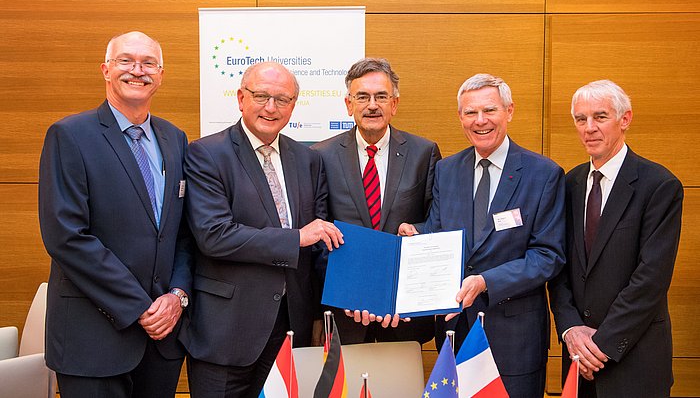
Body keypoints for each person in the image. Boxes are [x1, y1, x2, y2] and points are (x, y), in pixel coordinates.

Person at [38, 31, 192, 398]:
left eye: (149, 63)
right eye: (126, 60)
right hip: (92, 339)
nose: (138, 70)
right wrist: (141, 308)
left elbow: (184, 232)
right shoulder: (70, 135)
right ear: (106, 70)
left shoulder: (175, 139)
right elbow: (66, 237)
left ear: (161, 75)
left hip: (162, 341)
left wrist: (177, 296)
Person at [179, 61, 343, 398]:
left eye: (282, 99)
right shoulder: (207, 154)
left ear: (293, 106)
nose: (271, 107)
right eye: (261, 96)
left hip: (289, 329)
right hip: (226, 331)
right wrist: (296, 237)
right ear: (241, 98)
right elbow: (215, 236)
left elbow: (322, 240)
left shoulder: (307, 160)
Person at [399, 73, 566, 397]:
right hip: (454, 330)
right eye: (470, 113)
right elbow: (440, 229)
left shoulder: (543, 174)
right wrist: (417, 234)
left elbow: (547, 256)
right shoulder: (447, 170)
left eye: (489, 110)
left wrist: (485, 281)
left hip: (515, 338)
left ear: (509, 111)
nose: (480, 121)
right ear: (460, 117)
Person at [548, 80, 683, 397]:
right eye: (581, 119)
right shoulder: (570, 183)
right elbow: (558, 266)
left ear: (625, 119)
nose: (589, 128)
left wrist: (601, 344)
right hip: (577, 361)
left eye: (600, 117)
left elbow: (651, 278)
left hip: (634, 360)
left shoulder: (659, 186)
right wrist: (570, 330)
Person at [312, 58, 441, 344]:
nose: (372, 105)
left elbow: (435, 223)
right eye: (363, 97)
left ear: (394, 104)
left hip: (403, 312)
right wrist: (350, 292)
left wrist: (416, 231)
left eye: (381, 96)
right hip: (346, 312)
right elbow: (317, 233)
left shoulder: (424, 153)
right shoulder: (322, 155)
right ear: (349, 104)